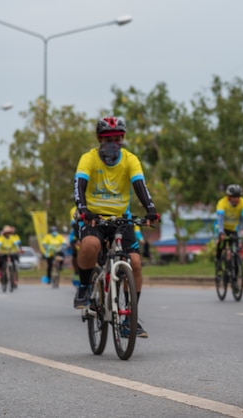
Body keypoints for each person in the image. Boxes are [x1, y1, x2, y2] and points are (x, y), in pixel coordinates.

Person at [73, 116, 159, 338]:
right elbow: (79, 186)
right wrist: (83, 210)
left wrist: (150, 209)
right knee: (90, 244)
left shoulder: (130, 159)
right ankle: (84, 287)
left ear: (123, 139)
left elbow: (140, 186)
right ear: (99, 140)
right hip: (94, 218)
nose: (113, 143)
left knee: (136, 263)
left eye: (117, 139)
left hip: (121, 218)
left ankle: (129, 317)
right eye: (107, 138)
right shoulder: (88, 159)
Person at [214, 184, 243, 289]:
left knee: (235, 253)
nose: (236, 199)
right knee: (221, 246)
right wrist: (221, 233)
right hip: (221, 228)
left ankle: (234, 279)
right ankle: (218, 263)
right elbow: (220, 219)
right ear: (229, 197)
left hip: (233, 229)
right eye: (234, 197)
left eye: (238, 196)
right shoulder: (222, 203)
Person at [0, 225, 21, 290]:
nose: (8, 234)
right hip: (3, 254)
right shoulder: (0, 238)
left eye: (9, 232)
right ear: (4, 233)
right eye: (6, 232)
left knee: (13, 265)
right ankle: (3, 279)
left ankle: (12, 279)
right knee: (2, 266)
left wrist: (18, 250)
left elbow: (16, 245)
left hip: (11, 253)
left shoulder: (12, 238)